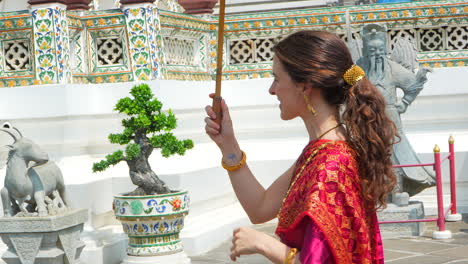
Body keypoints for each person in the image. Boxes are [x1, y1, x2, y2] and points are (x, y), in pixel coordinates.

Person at [204, 30, 397, 264]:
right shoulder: (320, 150)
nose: (272, 89)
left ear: (304, 86)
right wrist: (228, 145)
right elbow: (260, 208)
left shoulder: (332, 164)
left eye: (277, 78)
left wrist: (265, 244)